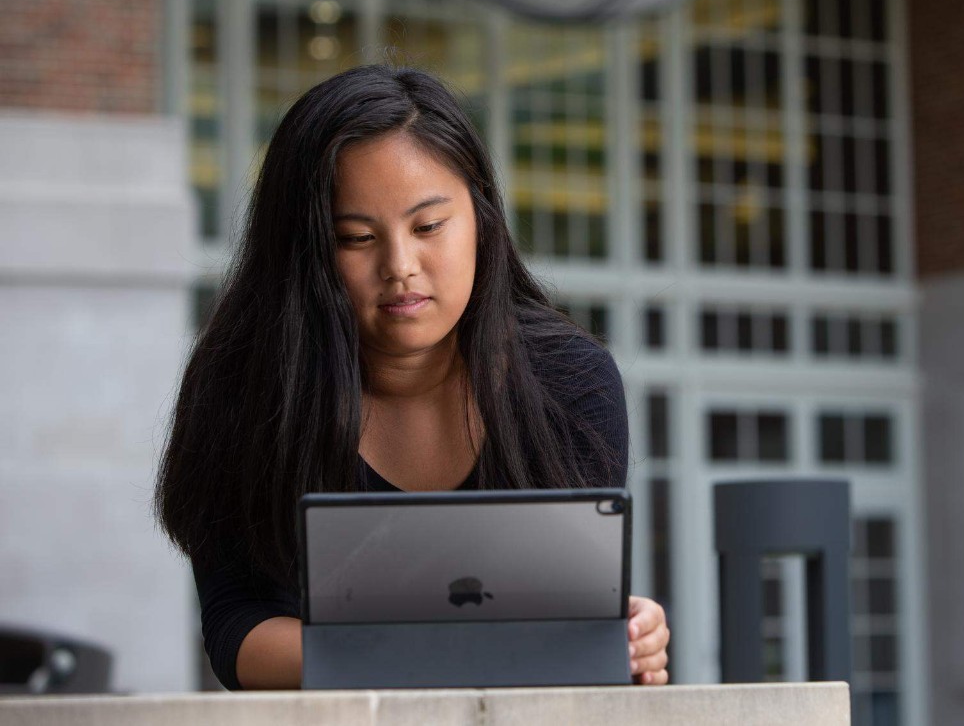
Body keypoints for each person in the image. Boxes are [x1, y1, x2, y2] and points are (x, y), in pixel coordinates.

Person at [154, 65, 670, 690]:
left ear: (481, 216)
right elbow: (238, 626)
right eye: (355, 238)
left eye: (428, 227)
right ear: (305, 251)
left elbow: (572, 621)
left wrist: (624, 632)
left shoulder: (566, 382)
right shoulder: (245, 389)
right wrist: (432, 657)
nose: (400, 267)